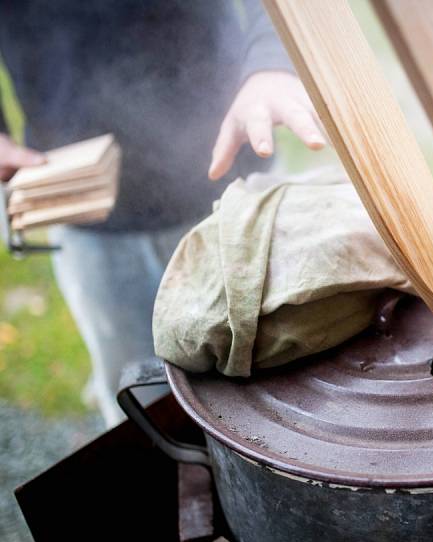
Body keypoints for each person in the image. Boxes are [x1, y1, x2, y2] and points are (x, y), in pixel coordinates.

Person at [0, 1, 325, 425]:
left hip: (235, 185)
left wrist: (271, 62)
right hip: (86, 205)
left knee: (284, 387)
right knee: (143, 408)